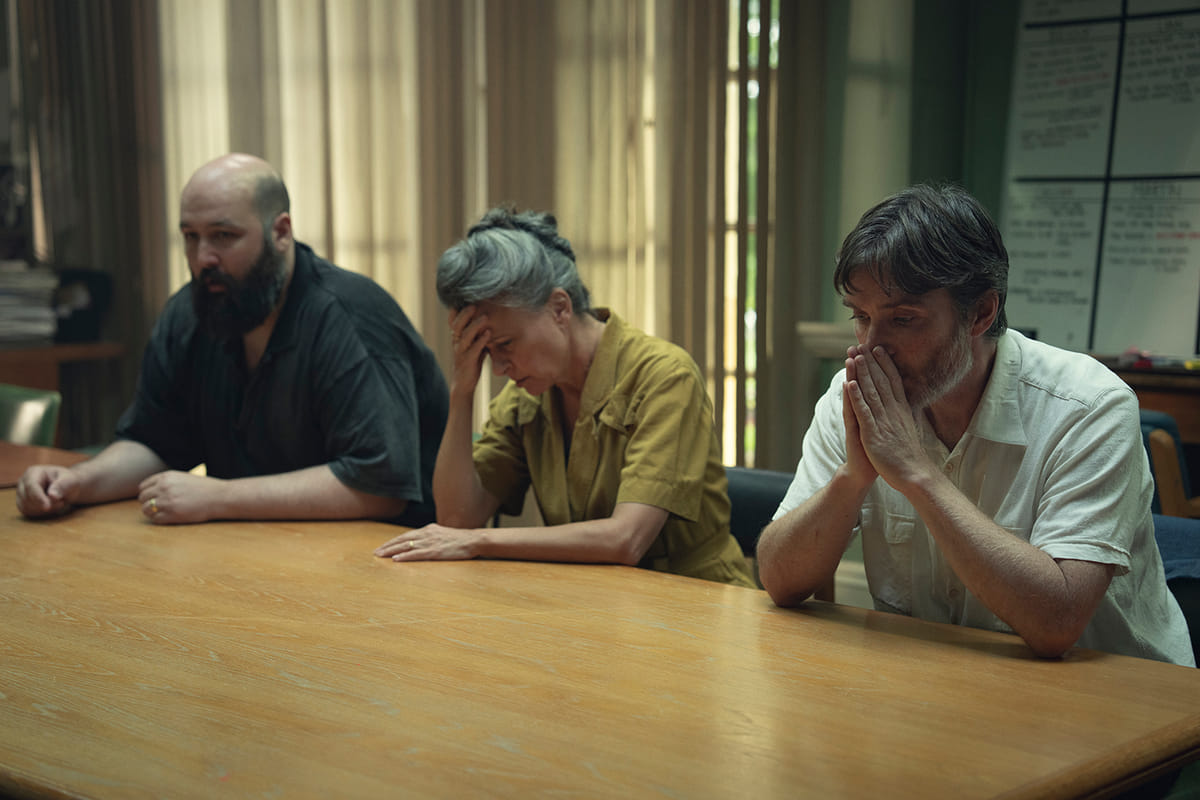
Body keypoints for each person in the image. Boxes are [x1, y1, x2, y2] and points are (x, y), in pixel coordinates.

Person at [757, 183, 1193, 665]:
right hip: (952, 678)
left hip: (1123, 693)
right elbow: (779, 579)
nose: (870, 346)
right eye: (861, 316)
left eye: (903, 319)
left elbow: (1057, 623)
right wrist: (854, 475)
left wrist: (917, 474)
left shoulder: (1089, 407)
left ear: (981, 313)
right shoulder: (856, 393)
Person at [16, 153, 448, 527]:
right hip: (251, 546)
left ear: (281, 233)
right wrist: (77, 482)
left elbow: (378, 487)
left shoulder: (350, 317)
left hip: (385, 559)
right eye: (191, 237)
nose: (203, 258)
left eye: (223, 236)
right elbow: (155, 441)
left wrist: (219, 498)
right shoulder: (191, 312)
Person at [374, 207, 754, 587]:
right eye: (486, 352)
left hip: (697, 600)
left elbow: (626, 539)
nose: (499, 369)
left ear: (560, 308)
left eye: (505, 344)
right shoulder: (525, 398)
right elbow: (457, 520)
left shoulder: (664, 377)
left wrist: (480, 541)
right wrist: (462, 390)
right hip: (596, 600)